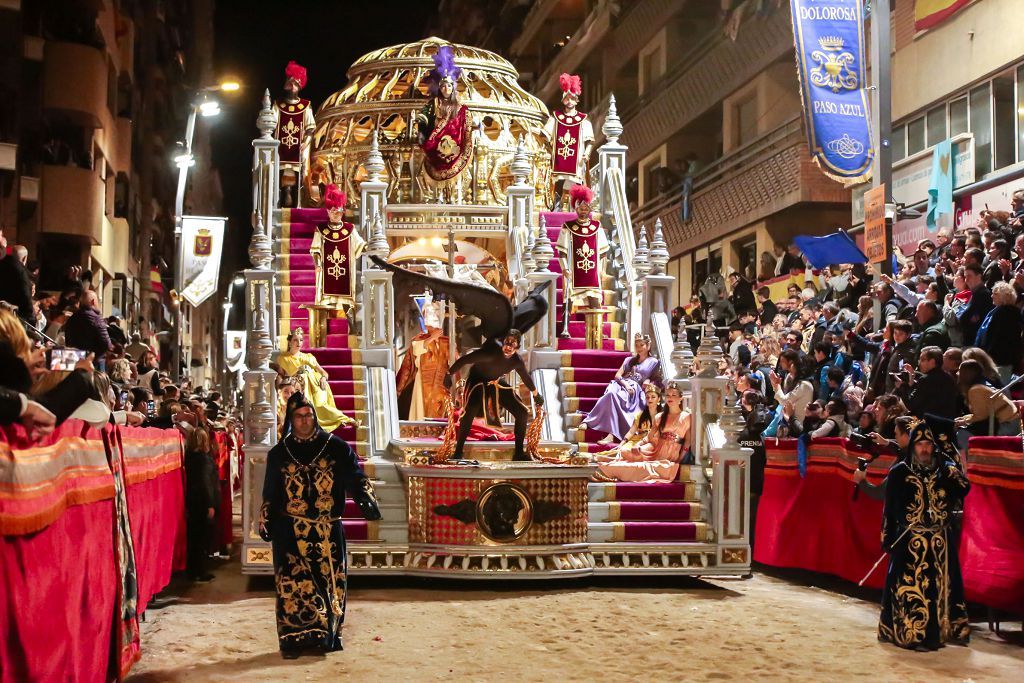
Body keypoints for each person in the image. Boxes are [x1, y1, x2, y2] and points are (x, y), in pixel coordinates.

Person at [259, 392, 381, 658]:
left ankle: (327, 637)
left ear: (315, 417)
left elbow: (355, 475)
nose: (304, 421)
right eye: (299, 417)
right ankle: (293, 641)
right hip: (290, 529)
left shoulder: (335, 447)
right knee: (292, 586)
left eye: (308, 415)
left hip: (327, 530)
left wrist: (365, 498)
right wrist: (266, 517)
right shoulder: (279, 453)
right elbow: (270, 491)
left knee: (330, 584)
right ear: (291, 420)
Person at [878, 422, 970, 650]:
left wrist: (951, 465)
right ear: (913, 446)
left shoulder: (943, 470)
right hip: (910, 540)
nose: (925, 449)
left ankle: (942, 632)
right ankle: (912, 633)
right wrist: (887, 538)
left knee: (940, 588)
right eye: (920, 444)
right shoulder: (899, 472)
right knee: (912, 588)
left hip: (939, 540)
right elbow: (889, 509)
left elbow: (964, 488)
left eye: (928, 444)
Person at [445, 330, 543, 462]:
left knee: (522, 412)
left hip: (494, 382)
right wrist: (448, 374)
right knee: (470, 412)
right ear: (502, 343)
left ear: (518, 347)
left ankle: (519, 453)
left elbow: (525, 377)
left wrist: (536, 395)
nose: (508, 347)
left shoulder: (516, 361)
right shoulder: (489, 352)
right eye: (506, 343)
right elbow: (464, 360)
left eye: (512, 345)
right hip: (477, 381)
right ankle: (458, 452)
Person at [595, 381, 691, 482]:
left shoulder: (687, 417)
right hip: (654, 448)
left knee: (645, 466)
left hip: (670, 453)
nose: (670, 397)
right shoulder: (660, 417)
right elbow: (649, 437)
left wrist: (680, 459)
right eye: (668, 395)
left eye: (674, 395)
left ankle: (608, 471)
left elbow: (687, 442)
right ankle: (605, 470)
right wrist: (638, 445)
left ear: (681, 398)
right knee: (626, 452)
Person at [582, 333, 663, 443]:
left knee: (617, 398)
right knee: (611, 395)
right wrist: (626, 384)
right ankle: (589, 421)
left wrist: (648, 381)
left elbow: (657, 379)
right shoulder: (629, 360)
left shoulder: (654, 362)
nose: (639, 348)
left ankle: (610, 435)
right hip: (621, 385)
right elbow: (617, 375)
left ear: (648, 346)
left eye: (642, 345)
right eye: (637, 345)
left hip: (636, 391)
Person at [415, 45, 474, 196]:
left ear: (453, 88)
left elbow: (465, 124)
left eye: (448, 86)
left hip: (455, 146)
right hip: (436, 145)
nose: (446, 89)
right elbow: (424, 117)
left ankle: (454, 195)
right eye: (443, 86)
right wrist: (422, 129)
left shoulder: (461, 108)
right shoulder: (434, 104)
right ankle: (435, 195)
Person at [273, 329, 356, 435]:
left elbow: (324, 373)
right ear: (289, 342)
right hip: (298, 386)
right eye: (295, 340)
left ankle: (344, 419)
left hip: (316, 385)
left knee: (321, 405)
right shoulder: (283, 358)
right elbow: (282, 377)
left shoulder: (309, 356)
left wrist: (323, 378)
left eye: (301, 340)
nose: (299, 343)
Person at [544, 72, 594, 210]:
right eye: (567, 98)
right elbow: (545, 134)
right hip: (557, 160)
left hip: (576, 161)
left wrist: (587, 154)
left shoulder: (584, 121)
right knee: (553, 184)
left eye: (572, 98)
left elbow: (590, 142)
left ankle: (567, 207)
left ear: (577, 100)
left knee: (572, 184)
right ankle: (552, 206)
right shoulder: (555, 118)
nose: (570, 101)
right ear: (563, 100)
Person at [272, 61, 316, 208]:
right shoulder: (278, 105)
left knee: (296, 178)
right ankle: (281, 199)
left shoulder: (305, 105)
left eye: (295, 85)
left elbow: (310, 129)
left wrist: (306, 142)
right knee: (281, 177)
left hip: (298, 149)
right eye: (290, 84)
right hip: (281, 149)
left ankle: (296, 202)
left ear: (299, 86)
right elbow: (271, 125)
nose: (292, 87)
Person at [954, 359, 1022, 451]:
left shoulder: (975, 390)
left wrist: (963, 422)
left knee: (962, 435)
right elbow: (984, 411)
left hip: (1004, 425)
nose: (957, 373)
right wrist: (965, 418)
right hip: (1008, 421)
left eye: (959, 370)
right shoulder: (982, 383)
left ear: (966, 374)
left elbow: (981, 415)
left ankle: (969, 461)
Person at [592, 384, 661, 466]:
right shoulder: (640, 416)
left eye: (653, 397)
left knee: (638, 453)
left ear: (659, 399)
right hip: (637, 440)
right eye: (647, 397)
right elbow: (631, 432)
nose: (650, 399)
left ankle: (607, 459)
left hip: (651, 443)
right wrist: (621, 444)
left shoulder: (663, 416)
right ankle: (605, 457)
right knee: (624, 450)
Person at [184, 427, 219, 582]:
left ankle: (194, 570)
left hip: (192, 501)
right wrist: (210, 504)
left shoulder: (189, 458)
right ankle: (201, 570)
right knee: (203, 537)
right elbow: (206, 483)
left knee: (194, 537)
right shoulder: (204, 459)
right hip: (203, 502)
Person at [974, 281, 1022, 383]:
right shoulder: (996, 311)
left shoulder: (1008, 314)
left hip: (1000, 361)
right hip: (991, 360)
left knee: (999, 389)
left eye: (995, 294)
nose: (991, 296)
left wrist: (988, 358)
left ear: (1004, 296)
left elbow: (1002, 341)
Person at [898, 346, 959, 421]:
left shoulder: (926, 380)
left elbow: (910, 405)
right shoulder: (949, 378)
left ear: (932, 361)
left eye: (923, 360)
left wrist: (902, 386)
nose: (919, 363)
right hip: (945, 424)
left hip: (927, 425)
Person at [0, 244, 36, 327]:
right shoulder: (21, 272)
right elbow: (25, 297)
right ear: (24, 258)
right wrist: (32, 321)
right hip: (16, 319)